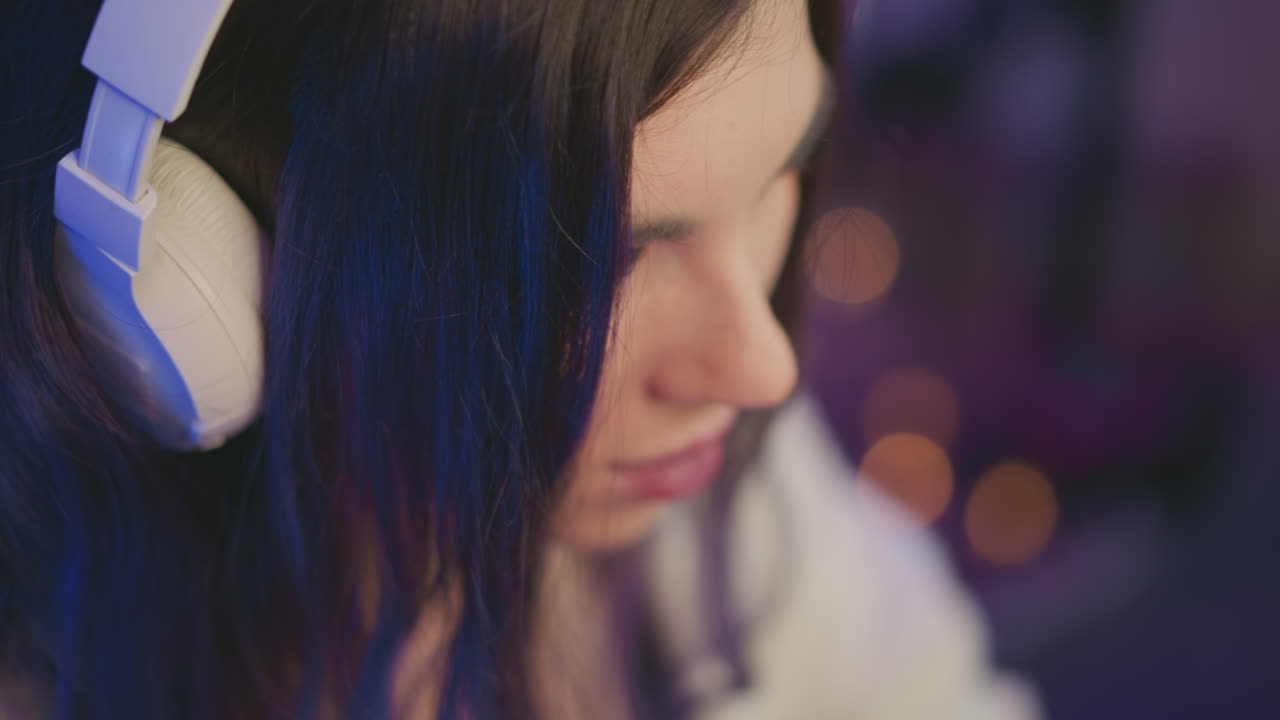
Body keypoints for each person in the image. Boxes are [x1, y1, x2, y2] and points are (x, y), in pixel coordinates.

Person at [0, 0, 1043, 717]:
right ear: (207, 272)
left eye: (777, 176)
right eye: (617, 257)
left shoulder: (747, 502)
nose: (760, 368)